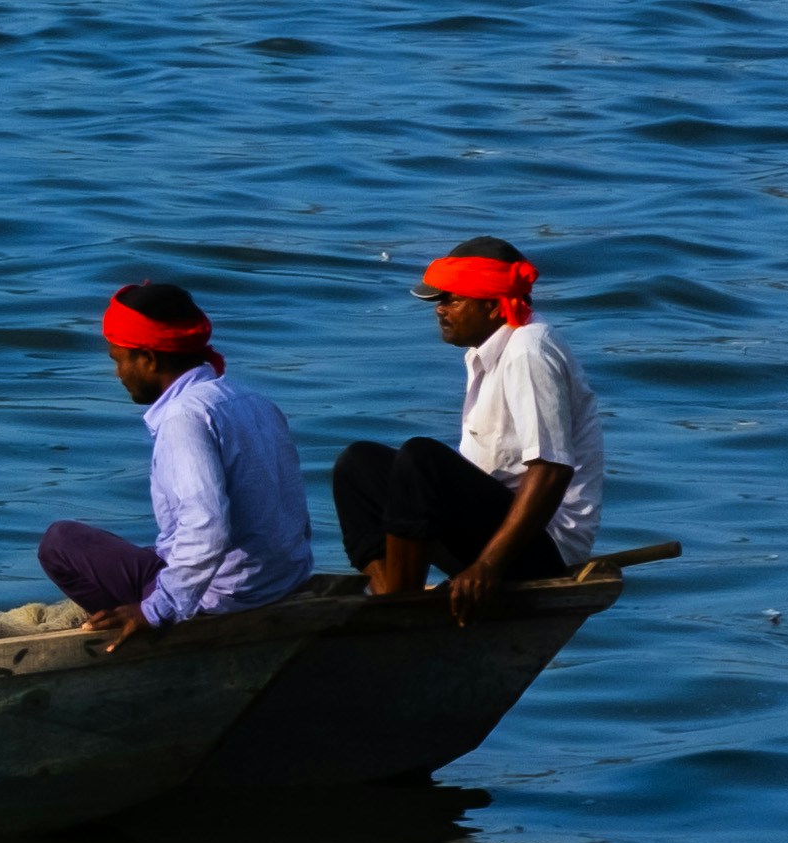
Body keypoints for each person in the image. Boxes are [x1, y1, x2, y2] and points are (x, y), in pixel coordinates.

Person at [40, 279, 313, 649]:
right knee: (156, 551)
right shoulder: (252, 399)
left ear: (148, 359)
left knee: (60, 543)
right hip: (282, 582)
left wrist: (155, 610)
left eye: (118, 360)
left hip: (226, 599)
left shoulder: (185, 417)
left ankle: (141, 644)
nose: (117, 374)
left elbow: (207, 527)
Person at [335, 238, 603, 614]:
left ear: (493, 306)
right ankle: (391, 594)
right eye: (439, 301)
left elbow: (552, 471)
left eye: (452, 300)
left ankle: (402, 609)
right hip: (495, 529)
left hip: (542, 547)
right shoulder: (487, 351)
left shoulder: (529, 351)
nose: (440, 311)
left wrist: (487, 567)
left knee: (421, 458)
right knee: (358, 464)